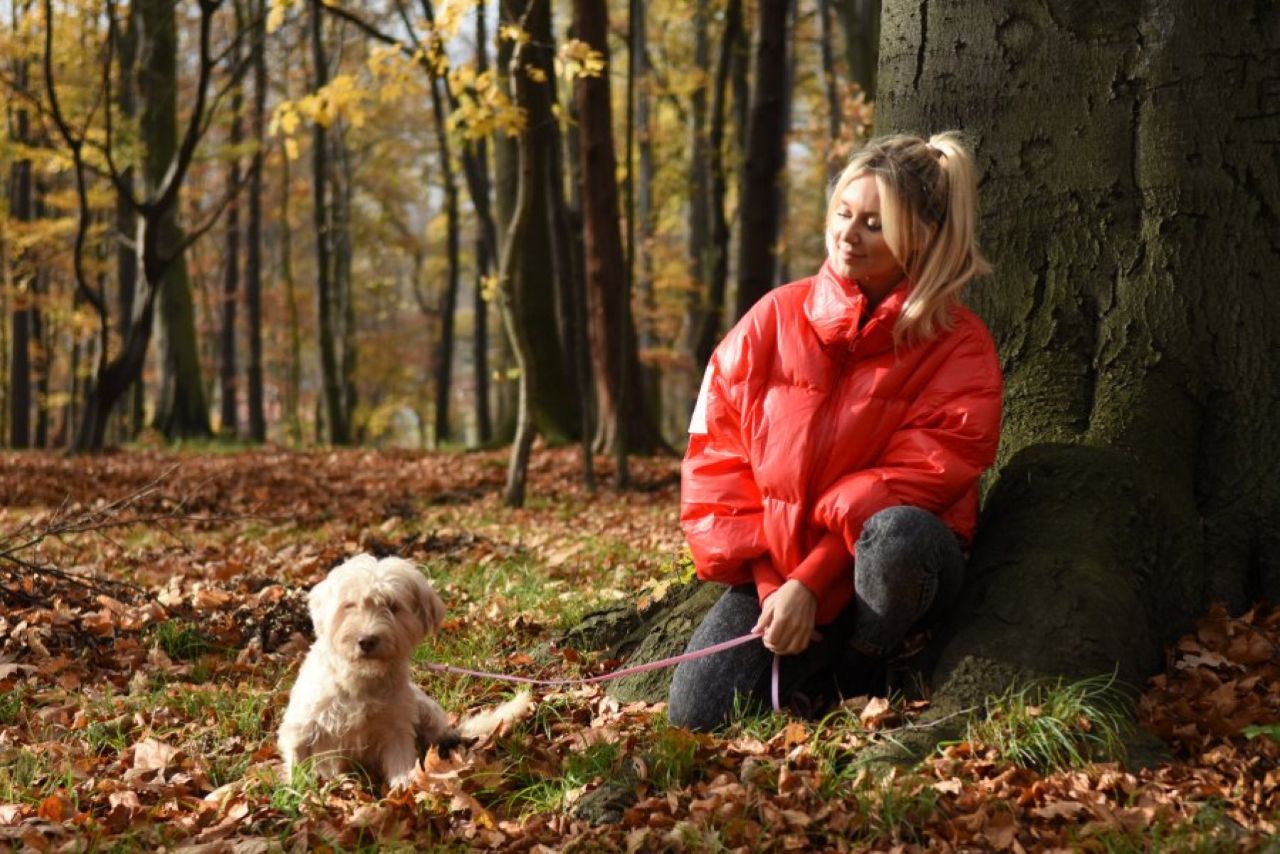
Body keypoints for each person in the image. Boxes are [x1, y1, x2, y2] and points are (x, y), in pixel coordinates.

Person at [667, 132, 1003, 731]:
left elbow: (917, 480)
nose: (849, 234)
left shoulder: (959, 345)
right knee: (696, 712)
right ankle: (814, 669)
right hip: (783, 570)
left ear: (921, 237)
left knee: (896, 535)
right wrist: (775, 589)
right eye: (844, 214)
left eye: (874, 223)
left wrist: (812, 582)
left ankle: (866, 662)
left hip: (890, 571)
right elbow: (716, 461)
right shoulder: (772, 318)